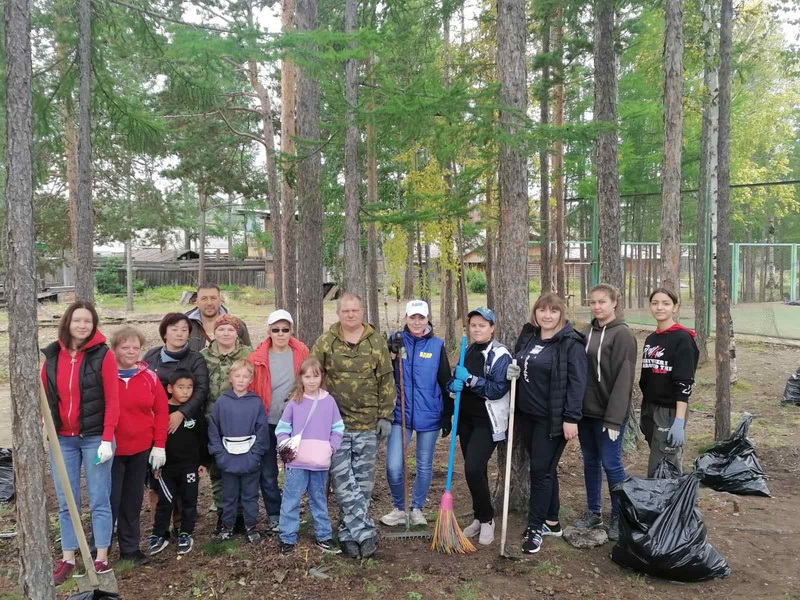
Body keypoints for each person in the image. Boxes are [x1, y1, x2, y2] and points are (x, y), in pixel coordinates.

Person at [311, 292, 395, 559]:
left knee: (364, 482)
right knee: (342, 481)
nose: (350, 315)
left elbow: (386, 380)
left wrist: (385, 416)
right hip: (334, 425)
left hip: (368, 423)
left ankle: (349, 532)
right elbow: (313, 377)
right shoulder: (326, 341)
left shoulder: (376, 341)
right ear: (338, 313)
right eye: (345, 311)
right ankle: (365, 531)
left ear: (362, 312)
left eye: (355, 310)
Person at [41, 301, 120, 584]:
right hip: (63, 440)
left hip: (95, 438)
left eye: (88, 321)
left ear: (94, 324)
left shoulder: (103, 355)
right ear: (68, 322)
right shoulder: (51, 355)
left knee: (99, 498)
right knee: (66, 500)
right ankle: (69, 557)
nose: (82, 326)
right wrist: (46, 428)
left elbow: (112, 400)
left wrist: (107, 438)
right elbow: (45, 397)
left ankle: (99, 557)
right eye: (77, 321)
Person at [507, 292, 587, 555]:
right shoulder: (529, 335)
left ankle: (535, 526)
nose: (547, 315)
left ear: (561, 314)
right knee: (545, 469)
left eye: (553, 310)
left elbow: (577, 383)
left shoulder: (570, 343)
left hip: (551, 419)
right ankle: (552, 520)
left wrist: (571, 418)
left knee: (540, 471)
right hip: (527, 416)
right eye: (542, 310)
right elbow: (519, 360)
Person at [381, 300, 452, 529]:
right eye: (413, 317)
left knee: (423, 465)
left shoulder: (436, 345)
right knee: (393, 465)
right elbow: (385, 375)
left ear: (427, 318)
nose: (417, 322)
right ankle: (399, 508)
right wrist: (390, 355)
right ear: (406, 318)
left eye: (421, 317)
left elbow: (443, 380)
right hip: (400, 414)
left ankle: (417, 508)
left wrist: (447, 414)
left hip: (429, 414)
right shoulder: (396, 341)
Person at [576, 284, 637, 541]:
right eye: (592, 302)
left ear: (614, 302)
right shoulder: (587, 332)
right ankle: (594, 512)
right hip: (585, 413)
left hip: (609, 415)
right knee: (590, 461)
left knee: (611, 463)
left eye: (602, 302)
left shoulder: (623, 335)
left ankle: (619, 515)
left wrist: (614, 418)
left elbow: (624, 379)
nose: (597, 306)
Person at [447, 307, 511, 546]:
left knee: (473, 468)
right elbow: (455, 379)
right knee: (478, 471)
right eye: (473, 325)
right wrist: (452, 386)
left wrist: (470, 380)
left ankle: (488, 520)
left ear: (492, 328)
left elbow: (497, 389)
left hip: (488, 421)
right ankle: (479, 516)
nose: (477, 329)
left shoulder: (499, 354)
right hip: (466, 420)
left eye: (482, 325)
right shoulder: (468, 349)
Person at [144, 313, 209, 531]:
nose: (179, 333)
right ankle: (159, 527)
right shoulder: (152, 356)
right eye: (174, 328)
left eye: (184, 330)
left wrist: (181, 413)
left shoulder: (195, 358)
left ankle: (182, 526)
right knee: (157, 472)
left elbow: (201, 389)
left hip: (183, 421)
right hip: (154, 422)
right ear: (164, 332)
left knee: (182, 472)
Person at [109, 327, 169, 566]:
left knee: (132, 500)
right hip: (111, 450)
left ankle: (130, 548)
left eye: (136, 347)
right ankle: (98, 549)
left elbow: (162, 410)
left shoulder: (149, 377)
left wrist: (159, 445)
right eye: (125, 347)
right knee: (108, 501)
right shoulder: (105, 376)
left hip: (140, 448)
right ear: (114, 349)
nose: (131, 352)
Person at [248, 309, 309, 533]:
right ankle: (274, 514)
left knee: (294, 468)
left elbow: (309, 380)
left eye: (285, 329)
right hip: (266, 421)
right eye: (276, 329)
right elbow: (251, 389)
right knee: (268, 471)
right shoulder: (256, 358)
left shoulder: (301, 352)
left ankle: (291, 512)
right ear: (269, 331)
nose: (281, 333)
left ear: (291, 330)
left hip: (293, 422)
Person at [276, 357, 344, 556]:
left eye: (316, 376)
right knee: (291, 499)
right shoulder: (295, 401)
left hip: (320, 462)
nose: (312, 381)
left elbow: (338, 427)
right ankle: (287, 537)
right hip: (297, 463)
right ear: (301, 378)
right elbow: (282, 427)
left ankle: (323, 536)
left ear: (321, 377)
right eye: (307, 376)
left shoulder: (328, 401)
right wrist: (285, 444)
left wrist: (331, 447)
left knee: (319, 499)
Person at [639, 287, 700, 477]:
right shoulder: (651, 339)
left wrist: (678, 422)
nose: (660, 308)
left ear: (675, 308)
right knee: (663, 459)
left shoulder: (682, 338)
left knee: (662, 465)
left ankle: (667, 504)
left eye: (666, 303)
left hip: (670, 410)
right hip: (650, 408)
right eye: (655, 303)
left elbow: (684, 382)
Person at [207, 359, 268, 544]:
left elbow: (262, 431)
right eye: (237, 376)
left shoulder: (255, 403)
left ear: (251, 380)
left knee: (250, 495)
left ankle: (251, 526)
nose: (241, 380)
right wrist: (220, 455)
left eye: (245, 376)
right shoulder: (222, 402)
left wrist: (255, 456)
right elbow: (214, 431)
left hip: (250, 459)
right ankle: (227, 526)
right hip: (228, 459)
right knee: (229, 495)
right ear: (230, 378)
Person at [149, 370, 209, 556]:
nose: (185, 392)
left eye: (189, 388)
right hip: (166, 468)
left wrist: (203, 462)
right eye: (180, 387)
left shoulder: (194, 413)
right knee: (165, 501)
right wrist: (153, 466)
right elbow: (152, 439)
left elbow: (202, 439)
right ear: (169, 388)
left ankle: (185, 533)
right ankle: (159, 534)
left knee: (189, 501)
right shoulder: (160, 411)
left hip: (190, 466)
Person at [201, 314, 253, 520]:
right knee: (218, 464)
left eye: (230, 329)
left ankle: (241, 509)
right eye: (221, 329)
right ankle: (222, 507)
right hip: (212, 418)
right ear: (215, 332)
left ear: (237, 332)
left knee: (241, 462)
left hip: (241, 418)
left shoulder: (248, 354)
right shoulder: (204, 356)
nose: (225, 333)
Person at [186, 283, 251, 351]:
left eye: (213, 298)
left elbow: (248, 355)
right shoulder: (185, 325)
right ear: (197, 302)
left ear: (220, 301)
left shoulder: (237, 324)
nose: (209, 303)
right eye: (204, 299)